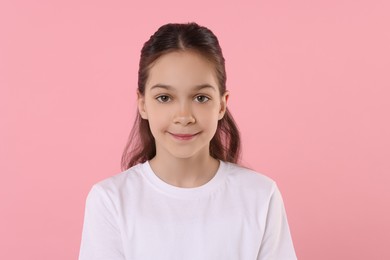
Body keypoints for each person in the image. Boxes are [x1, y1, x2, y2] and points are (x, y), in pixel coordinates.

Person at [79, 22, 297, 260]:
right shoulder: (110, 200)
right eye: (164, 97)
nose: (184, 116)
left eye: (201, 98)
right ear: (142, 104)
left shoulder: (261, 196)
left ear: (222, 104)